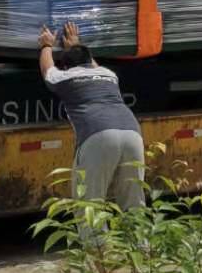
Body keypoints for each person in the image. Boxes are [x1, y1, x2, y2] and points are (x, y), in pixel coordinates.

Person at [38, 21, 145, 214]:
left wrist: (46, 45)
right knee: (134, 203)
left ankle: (95, 237)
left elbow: (47, 70)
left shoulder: (64, 78)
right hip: (132, 133)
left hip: (98, 134)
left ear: (66, 67)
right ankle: (140, 234)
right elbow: (92, 65)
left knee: (89, 206)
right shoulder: (109, 75)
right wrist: (76, 45)